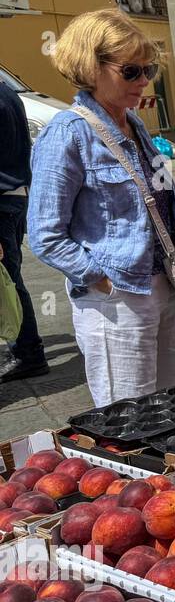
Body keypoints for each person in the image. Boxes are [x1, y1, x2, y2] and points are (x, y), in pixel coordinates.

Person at [28, 9, 175, 406]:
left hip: (164, 286)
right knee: (130, 416)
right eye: (131, 71)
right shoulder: (67, 133)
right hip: (117, 297)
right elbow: (45, 233)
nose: (143, 82)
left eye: (149, 71)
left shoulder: (132, 123)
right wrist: (100, 278)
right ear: (92, 68)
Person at [0, 79, 48, 382]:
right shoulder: (8, 91)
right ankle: (24, 348)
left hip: (3, 201)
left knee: (8, 279)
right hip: (14, 195)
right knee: (9, 277)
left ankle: (29, 352)